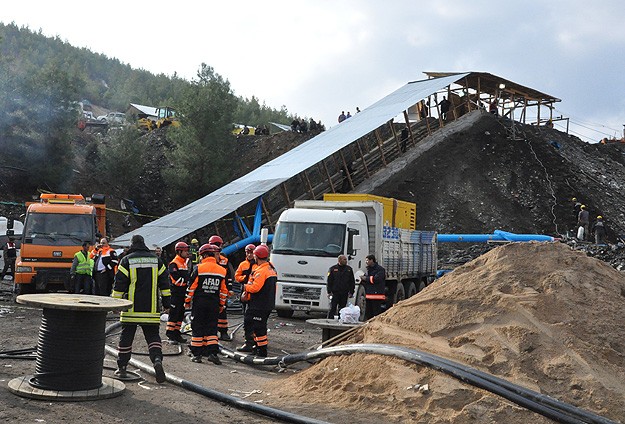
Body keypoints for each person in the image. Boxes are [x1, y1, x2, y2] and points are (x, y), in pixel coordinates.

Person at [112, 234, 171, 383]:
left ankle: (123, 367)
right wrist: (167, 304)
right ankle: (157, 359)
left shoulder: (126, 260)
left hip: (131, 309)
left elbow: (119, 284)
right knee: (153, 337)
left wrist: (115, 303)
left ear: (132, 244)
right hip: (151, 310)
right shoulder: (156, 261)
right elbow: (165, 284)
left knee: (126, 338)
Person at [184, 243, 227, 365]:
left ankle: (197, 355)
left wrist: (187, 302)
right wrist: (221, 305)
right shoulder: (222, 270)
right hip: (214, 304)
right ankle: (213, 354)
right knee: (212, 329)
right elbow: (224, 291)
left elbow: (191, 288)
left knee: (197, 328)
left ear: (204, 255)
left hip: (199, 304)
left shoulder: (199, 268)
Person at [237, 245, 276, 357]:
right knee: (256, 324)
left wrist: (245, 288)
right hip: (266, 303)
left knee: (257, 326)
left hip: (259, 304)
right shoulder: (271, 268)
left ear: (256, 256)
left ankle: (261, 351)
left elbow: (255, 288)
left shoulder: (261, 271)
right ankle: (257, 347)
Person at [208, 235, 235, 340]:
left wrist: (230, 288)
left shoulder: (224, 261)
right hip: (211, 289)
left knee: (222, 310)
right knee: (211, 312)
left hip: (221, 289)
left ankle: (223, 332)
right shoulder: (207, 260)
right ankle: (212, 332)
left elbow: (229, 276)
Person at [166, 241, 191, 344]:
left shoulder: (184, 263)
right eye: (185, 251)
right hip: (176, 293)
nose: (187, 253)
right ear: (179, 251)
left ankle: (177, 333)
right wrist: (187, 283)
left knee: (180, 314)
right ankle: (170, 334)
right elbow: (176, 280)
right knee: (174, 314)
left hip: (182, 293)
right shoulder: (174, 263)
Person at [326, 255, 355, 319]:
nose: (346, 261)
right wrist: (329, 291)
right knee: (332, 308)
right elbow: (329, 281)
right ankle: (329, 320)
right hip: (335, 292)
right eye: (344, 259)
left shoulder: (349, 269)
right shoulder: (333, 269)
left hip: (344, 292)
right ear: (339, 260)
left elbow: (352, 281)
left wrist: (351, 292)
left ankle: (341, 320)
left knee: (342, 309)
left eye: (346, 259)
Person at [234, 243, 257, 315]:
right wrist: (244, 278)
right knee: (244, 306)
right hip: (244, 288)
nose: (249, 255)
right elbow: (237, 276)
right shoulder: (242, 264)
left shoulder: (257, 264)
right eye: (248, 253)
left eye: (251, 253)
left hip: (254, 288)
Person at [363, 254, 386, 320]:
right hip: (368, 295)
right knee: (368, 313)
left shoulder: (380, 269)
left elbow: (377, 279)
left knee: (376, 312)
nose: (366, 262)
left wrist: (366, 278)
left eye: (367, 260)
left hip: (377, 295)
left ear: (372, 260)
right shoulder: (368, 270)